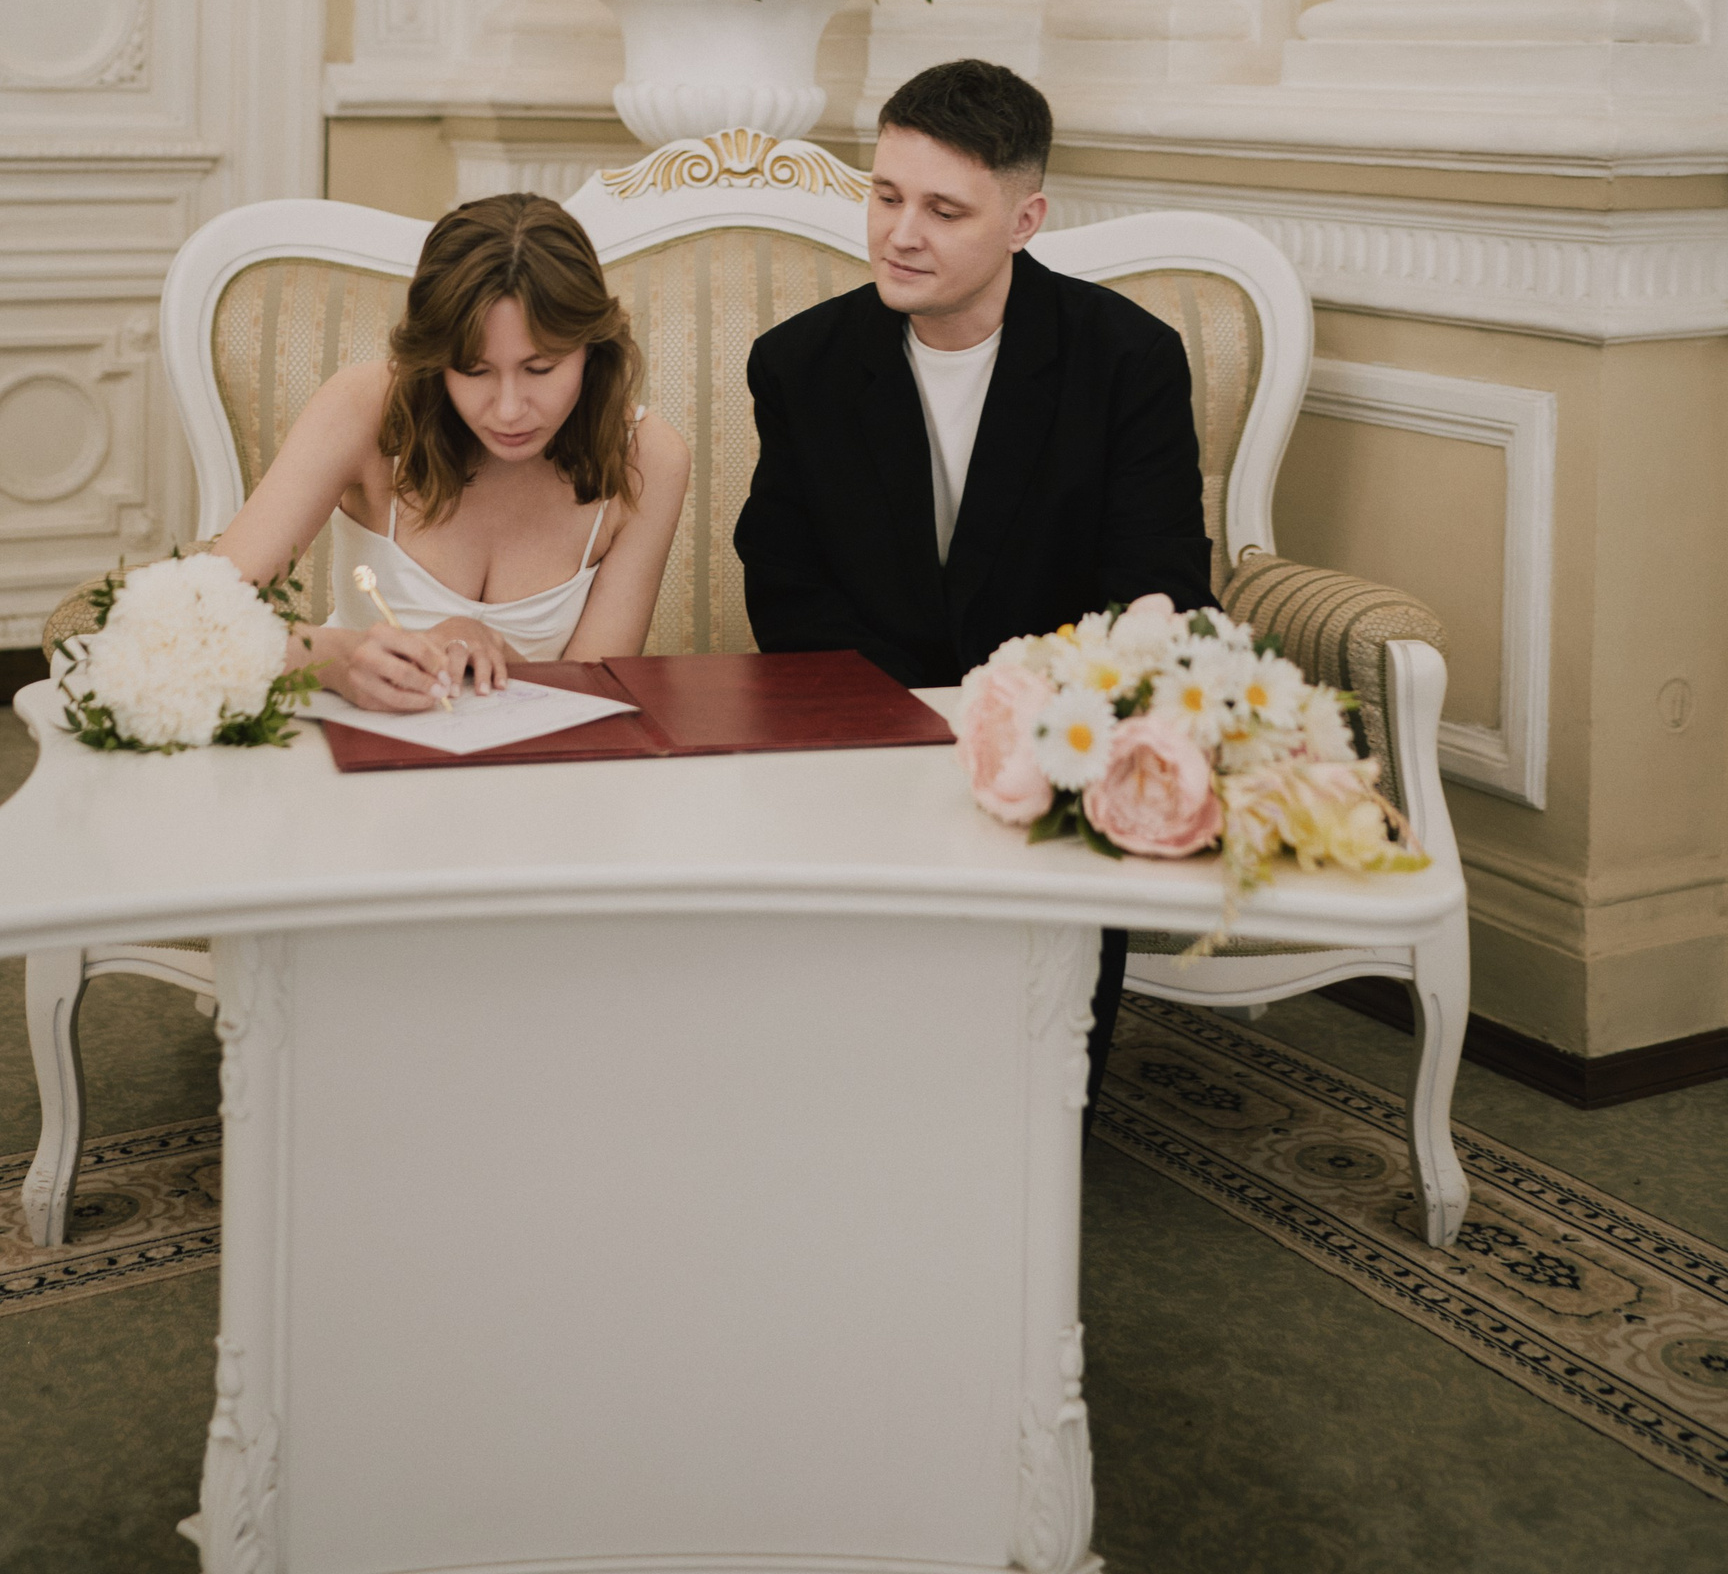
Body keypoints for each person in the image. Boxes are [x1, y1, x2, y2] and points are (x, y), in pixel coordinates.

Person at [734, 57, 1212, 1105]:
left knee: (1033, 1104)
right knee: (851, 1086)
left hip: (1059, 752)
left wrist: (1027, 732)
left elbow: (1158, 582)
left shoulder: (1128, 360)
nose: (899, 234)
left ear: (1024, 219)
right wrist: (913, 730)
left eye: (944, 211)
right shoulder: (799, 363)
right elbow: (787, 586)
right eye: (885, 195)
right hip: (868, 742)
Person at [213, 193, 689, 710]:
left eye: (540, 368)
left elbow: (593, 702)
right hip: (346, 746)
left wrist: (492, 649)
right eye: (474, 370)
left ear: (591, 349)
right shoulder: (364, 410)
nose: (509, 409)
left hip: (537, 760)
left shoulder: (648, 458)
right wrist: (335, 658)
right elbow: (193, 617)